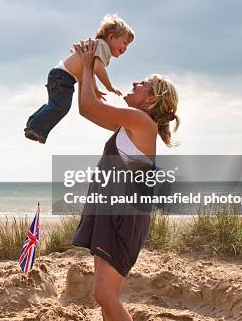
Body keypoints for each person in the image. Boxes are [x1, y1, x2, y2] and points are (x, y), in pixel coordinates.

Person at [70, 39, 180, 321]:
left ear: (152, 99)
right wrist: (88, 70)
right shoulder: (130, 124)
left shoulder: (141, 122)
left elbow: (87, 103)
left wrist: (86, 65)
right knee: (103, 295)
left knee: (106, 295)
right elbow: (86, 109)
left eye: (142, 83)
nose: (134, 83)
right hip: (113, 210)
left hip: (124, 215)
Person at [25, 14, 134, 144]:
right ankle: (36, 127)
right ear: (111, 37)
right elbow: (98, 68)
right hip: (63, 77)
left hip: (62, 76)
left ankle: (35, 122)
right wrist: (109, 86)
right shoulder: (103, 46)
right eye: (125, 43)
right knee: (60, 106)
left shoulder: (98, 47)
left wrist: (95, 89)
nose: (126, 48)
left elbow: (90, 72)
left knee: (58, 105)